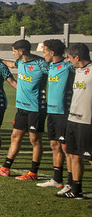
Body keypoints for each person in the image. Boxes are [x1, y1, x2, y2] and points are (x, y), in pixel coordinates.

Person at [0, 40, 49, 178]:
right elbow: (11, 64)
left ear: (21, 51)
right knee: (15, 137)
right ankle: (5, 168)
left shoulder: (41, 64)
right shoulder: (20, 62)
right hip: (21, 108)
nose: (13, 53)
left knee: (35, 140)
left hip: (36, 108)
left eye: (14, 51)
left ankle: (33, 172)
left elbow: (54, 73)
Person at [55, 43, 92, 203]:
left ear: (77, 57)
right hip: (72, 119)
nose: (68, 60)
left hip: (87, 121)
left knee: (90, 157)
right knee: (72, 154)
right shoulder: (77, 70)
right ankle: (76, 189)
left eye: (70, 58)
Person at [37, 39, 74, 189]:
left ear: (52, 52)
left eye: (44, 52)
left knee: (66, 148)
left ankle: (71, 183)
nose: (43, 55)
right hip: (51, 111)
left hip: (63, 112)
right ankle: (57, 179)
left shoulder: (68, 66)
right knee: (54, 145)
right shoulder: (50, 66)